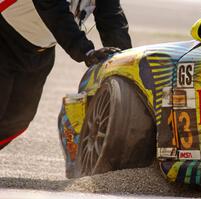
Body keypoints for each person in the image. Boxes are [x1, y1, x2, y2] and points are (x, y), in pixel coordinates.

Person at [0, 0, 132, 150]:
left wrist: (126, 63)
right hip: (4, 38)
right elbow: (55, 12)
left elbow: (112, 19)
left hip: (40, 52)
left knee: (17, 120)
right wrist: (86, 51)